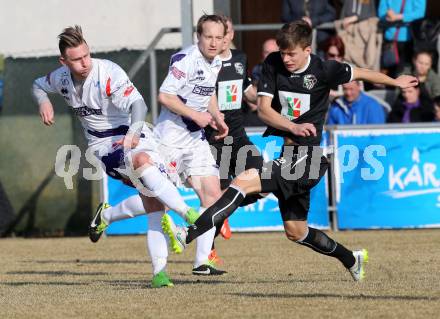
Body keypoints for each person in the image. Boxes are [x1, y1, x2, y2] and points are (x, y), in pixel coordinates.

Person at [162, 20, 418, 282]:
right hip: (288, 156)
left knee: (242, 181)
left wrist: (395, 82)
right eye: (283, 52)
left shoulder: (324, 69)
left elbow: (361, 72)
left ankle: (188, 233)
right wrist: (293, 127)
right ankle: (352, 258)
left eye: (291, 53)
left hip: (309, 159)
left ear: (307, 50)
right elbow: (263, 109)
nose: (286, 58)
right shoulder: (273, 63)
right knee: (297, 232)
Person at [32, 26, 200, 288]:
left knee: (155, 203)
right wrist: (43, 101)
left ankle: (158, 272)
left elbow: (138, 105)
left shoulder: (107, 72)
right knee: (144, 170)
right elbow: (37, 85)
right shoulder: (61, 78)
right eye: (76, 59)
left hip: (134, 131)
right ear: (64, 62)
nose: (84, 62)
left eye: (87, 55)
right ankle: (190, 215)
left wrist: (133, 132)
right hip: (103, 144)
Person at [155, 14, 229, 276]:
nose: (213, 42)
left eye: (218, 38)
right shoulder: (185, 60)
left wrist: (217, 117)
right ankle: (106, 217)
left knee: (213, 194)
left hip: (194, 138)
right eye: (208, 36)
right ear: (198, 36)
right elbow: (164, 95)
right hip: (170, 137)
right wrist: (196, 115)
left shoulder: (217, 61)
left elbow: (207, 92)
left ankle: (201, 262)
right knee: (154, 202)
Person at [200, 16, 265, 264]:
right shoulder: (205, 64)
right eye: (214, 35)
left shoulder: (239, 59)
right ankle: (209, 248)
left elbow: (246, 89)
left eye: (224, 34)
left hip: (238, 134)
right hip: (215, 139)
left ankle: (225, 210)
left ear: (230, 36)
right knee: (216, 196)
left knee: (261, 173)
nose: (220, 39)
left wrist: (266, 98)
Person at [378, 0, 426, 76]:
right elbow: (381, 13)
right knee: (389, 72)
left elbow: (420, 13)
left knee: (404, 72)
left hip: (409, 39)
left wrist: (398, 17)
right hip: (390, 39)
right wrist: (387, 15)